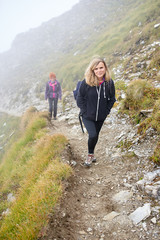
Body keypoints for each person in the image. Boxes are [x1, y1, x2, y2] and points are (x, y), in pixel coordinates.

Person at [76, 57, 116, 166]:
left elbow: (112, 98)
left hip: (101, 116)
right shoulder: (87, 82)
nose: (99, 71)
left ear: (105, 68)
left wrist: (106, 111)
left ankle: (92, 153)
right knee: (93, 135)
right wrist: (84, 111)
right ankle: (89, 156)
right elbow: (80, 98)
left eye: (101, 68)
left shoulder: (109, 83)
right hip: (87, 116)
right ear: (92, 70)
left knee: (95, 135)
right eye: (96, 68)